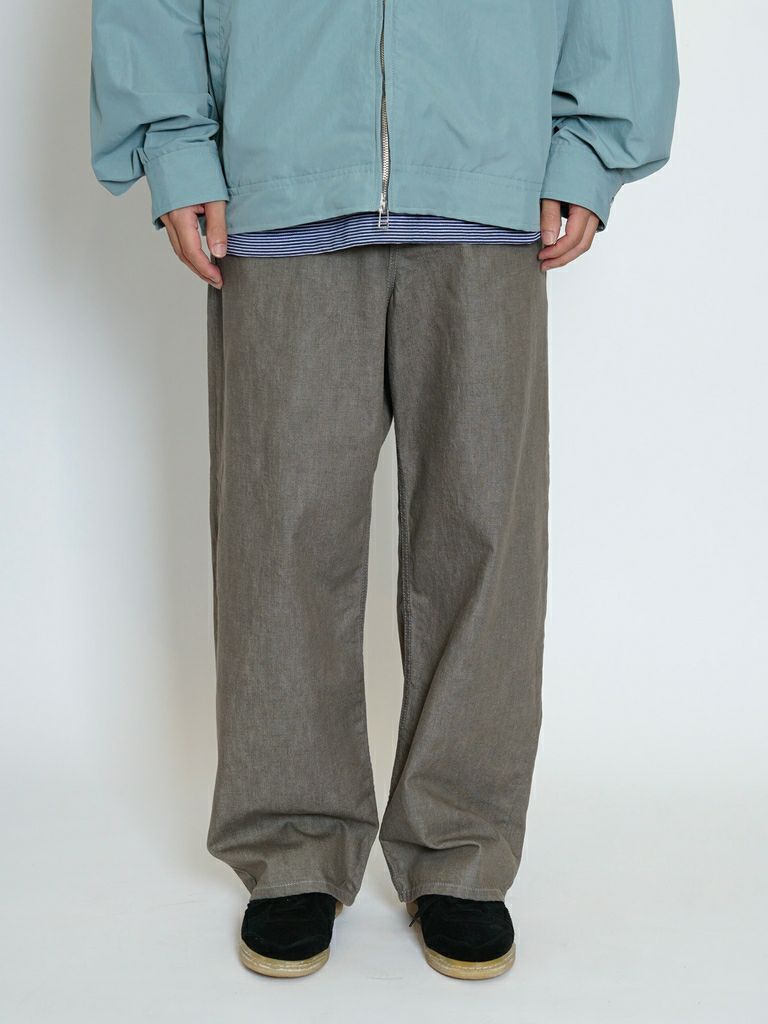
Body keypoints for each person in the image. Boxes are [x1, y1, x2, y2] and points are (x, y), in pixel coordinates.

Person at [91, 0, 678, 981]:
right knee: (280, 533)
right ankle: (292, 844)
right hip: (281, 173)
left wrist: (587, 148)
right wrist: (178, 148)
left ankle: (461, 845)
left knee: (482, 533)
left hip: (486, 177)